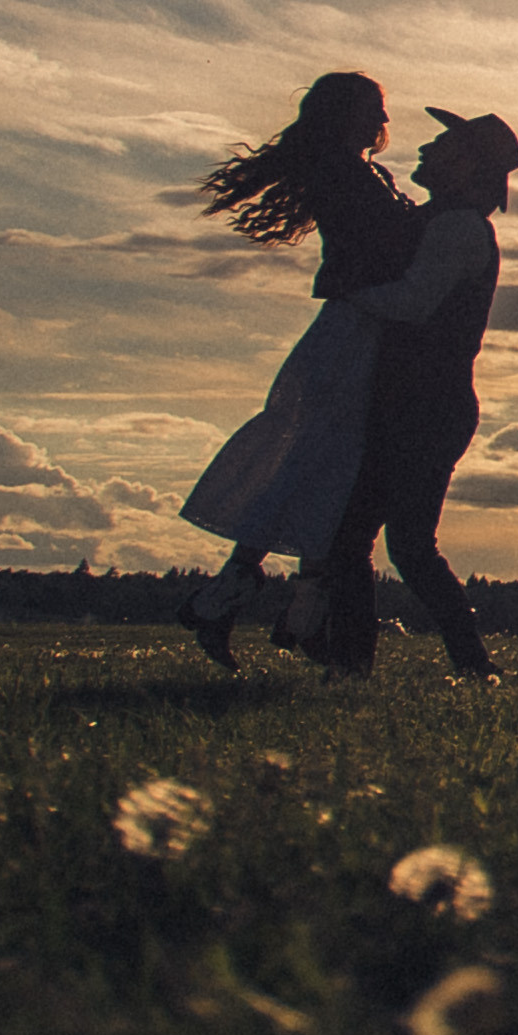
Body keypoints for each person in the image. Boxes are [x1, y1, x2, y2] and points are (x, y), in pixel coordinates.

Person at [176, 71, 416, 668]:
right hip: (356, 328)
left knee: (330, 463)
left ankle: (265, 604)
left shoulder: (357, 173)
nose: (381, 120)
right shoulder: (347, 175)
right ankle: (260, 604)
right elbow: (374, 251)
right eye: (372, 108)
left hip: (365, 325)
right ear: (343, 115)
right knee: (322, 457)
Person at [319, 108, 518, 680]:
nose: (429, 146)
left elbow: (413, 303)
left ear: (469, 165)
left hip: (424, 407)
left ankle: (359, 665)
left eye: (447, 142)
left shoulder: (457, 228)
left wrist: (346, 289)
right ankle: (463, 666)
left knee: (377, 541)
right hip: (419, 403)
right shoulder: (443, 220)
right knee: (396, 544)